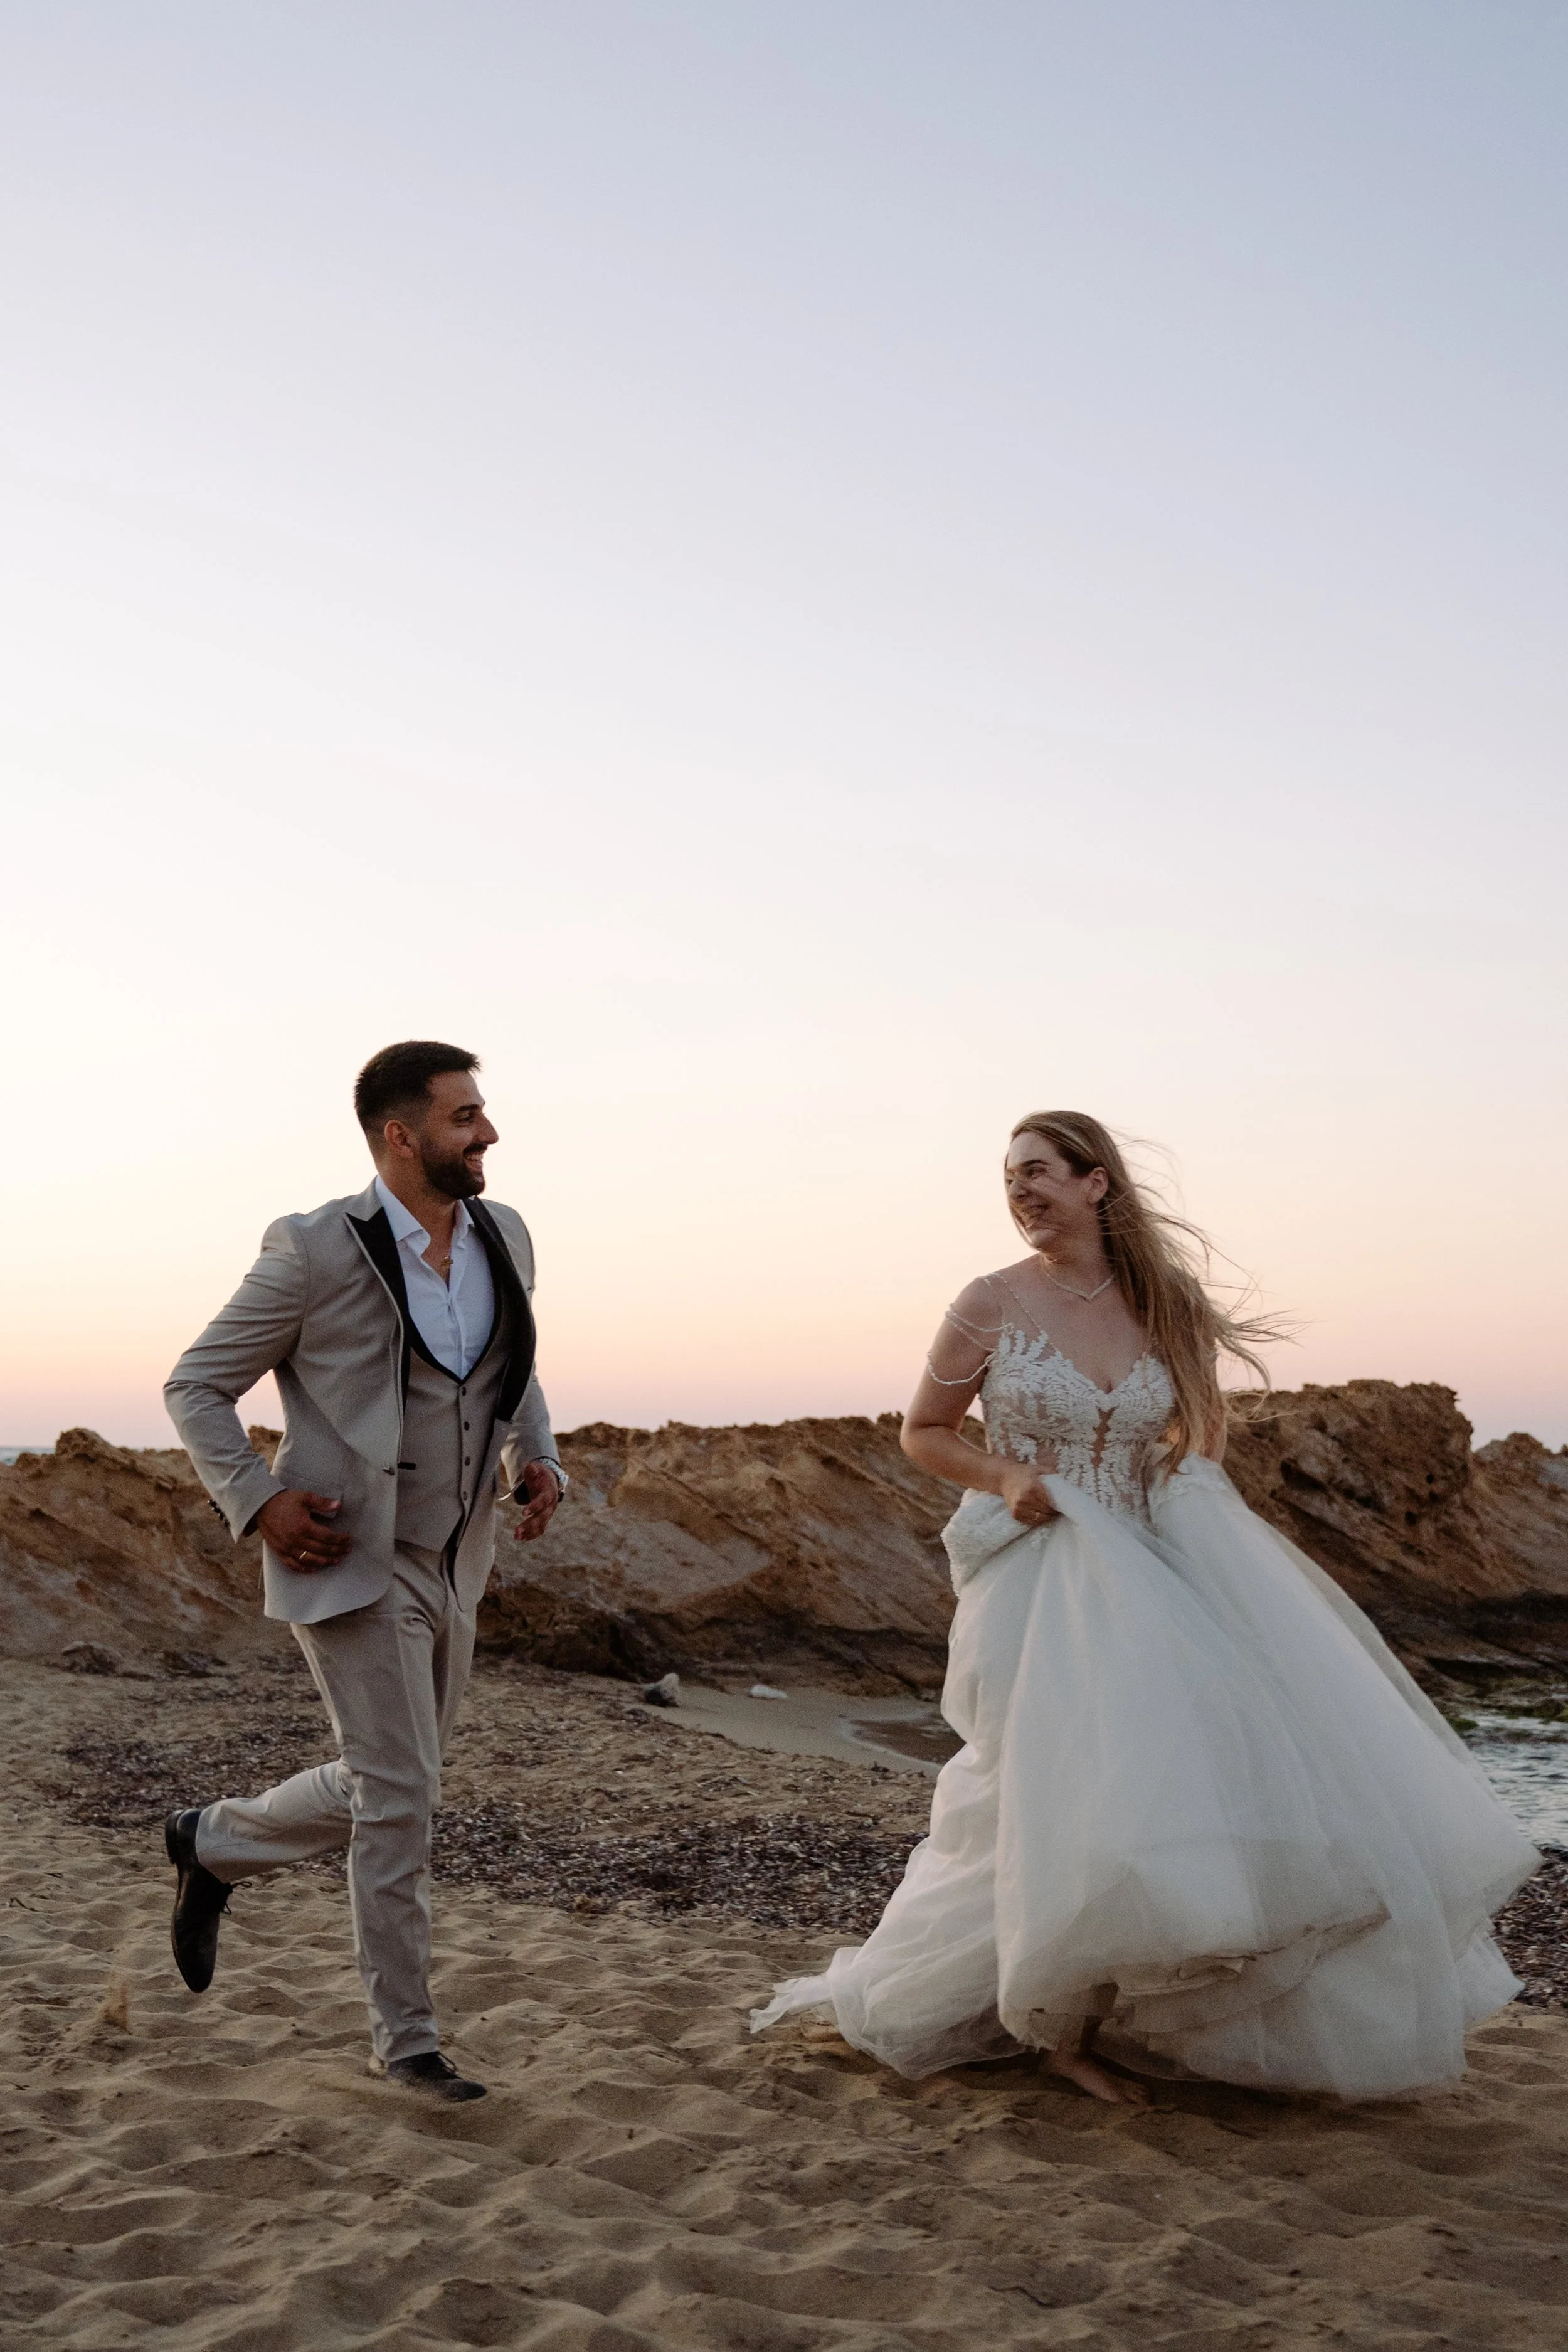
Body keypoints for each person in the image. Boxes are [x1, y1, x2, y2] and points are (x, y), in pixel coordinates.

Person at [753, 1111, 1539, 2102]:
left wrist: (1184, 1484)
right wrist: (1003, 1475)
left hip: (1157, 1564)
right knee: (1048, 1786)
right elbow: (924, 1431)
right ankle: (1053, 2025)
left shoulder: (1165, 1303)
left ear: (1097, 1184)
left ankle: (1100, 2008)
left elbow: (1203, 1426)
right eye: (1009, 1178)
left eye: (1038, 1172)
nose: (1020, 1191)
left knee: (1165, 1784)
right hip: (1038, 1565)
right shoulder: (989, 1302)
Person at [162, 1041, 566, 2102]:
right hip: (350, 1555)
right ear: (402, 1134)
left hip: (455, 1557)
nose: (487, 1133)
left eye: (482, 1113)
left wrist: (540, 1457)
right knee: (402, 1800)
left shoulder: (505, 1234)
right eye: (465, 1116)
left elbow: (516, 1364)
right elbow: (196, 1384)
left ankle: (212, 1842)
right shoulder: (310, 1249)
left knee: (394, 1783)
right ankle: (408, 2043)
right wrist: (258, 1501)